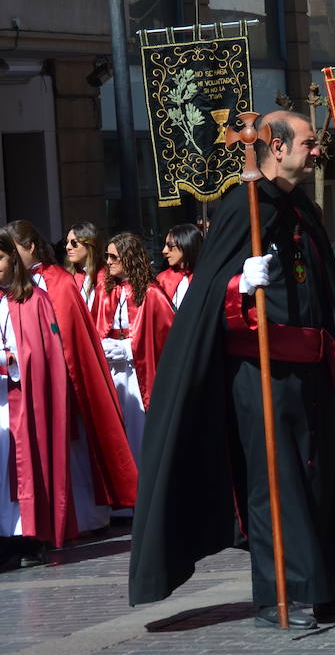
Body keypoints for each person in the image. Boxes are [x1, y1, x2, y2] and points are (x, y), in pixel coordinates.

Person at [129, 110, 335, 628]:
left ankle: (319, 583)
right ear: (278, 147)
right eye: (309, 144)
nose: (317, 152)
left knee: (318, 476)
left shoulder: (300, 207)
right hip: (260, 371)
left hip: (314, 370)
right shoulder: (242, 207)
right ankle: (276, 594)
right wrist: (238, 283)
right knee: (273, 482)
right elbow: (205, 303)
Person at [4, 221, 137, 535]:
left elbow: (67, 337)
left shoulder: (57, 282)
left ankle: (85, 517)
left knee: (75, 449)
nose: (9, 256)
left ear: (31, 246)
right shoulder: (18, 285)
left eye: (14, 249)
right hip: (27, 380)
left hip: (65, 378)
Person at [0, 230, 93, 566]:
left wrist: (8, 361)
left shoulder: (34, 300)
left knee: (24, 469)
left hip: (22, 400)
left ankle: (27, 538)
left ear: (13, 259)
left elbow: (40, 354)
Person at [93, 232, 174, 463]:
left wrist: (127, 349)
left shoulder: (152, 293)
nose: (107, 262)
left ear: (128, 258)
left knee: (137, 428)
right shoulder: (106, 291)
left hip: (137, 374)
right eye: (106, 256)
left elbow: (165, 339)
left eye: (113, 257)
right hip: (112, 371)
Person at [157, 224, 203, 311]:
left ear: (186, 244)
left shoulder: (206, 277)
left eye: (170, 245)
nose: (164, 251)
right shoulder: (163, 280)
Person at [65, 222, 104, 311]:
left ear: (89, 245)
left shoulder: (105, 277)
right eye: (67, 242)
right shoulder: (69, 277)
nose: (68, 247)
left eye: (74, 243)